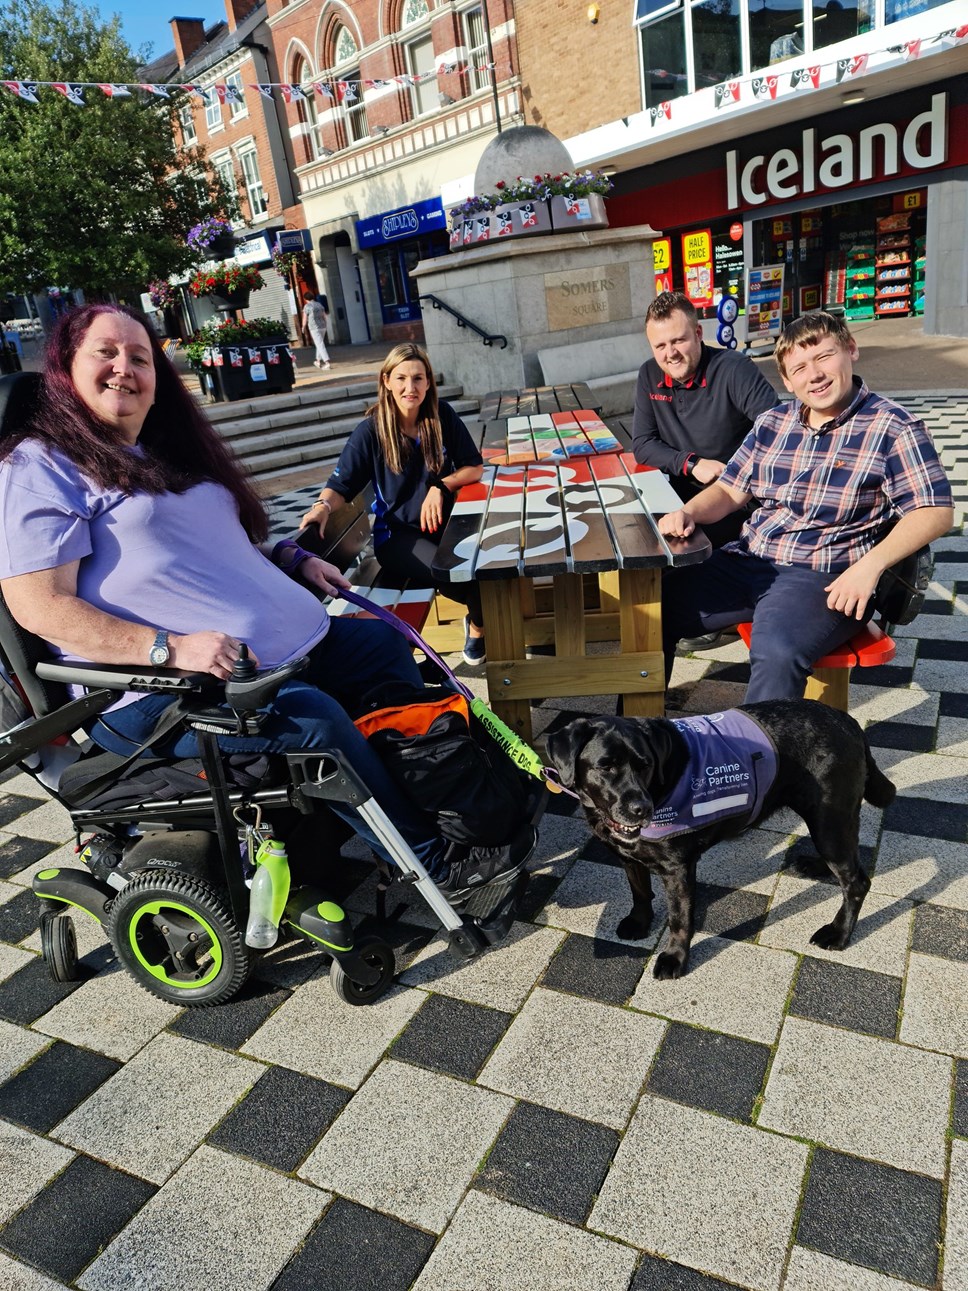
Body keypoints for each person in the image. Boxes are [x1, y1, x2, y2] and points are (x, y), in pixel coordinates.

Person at [0, 305, 533, 898]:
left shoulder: (158, 451)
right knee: (312, 716)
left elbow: (221, 544)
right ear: (63, 369)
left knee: (382, 646)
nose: (125, 367)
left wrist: (290, 557)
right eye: (105, 352)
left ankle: (432, 803)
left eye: (141, 357)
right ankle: (430, 864)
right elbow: (40, 606)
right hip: (163, 692)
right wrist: (166, 648)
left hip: (282, 649)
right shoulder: (38, 466)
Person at [657, 311, 953, 703]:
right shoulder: (774, 422)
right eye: (799, 367)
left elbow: (934, 510)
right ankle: (637, 732)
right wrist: (689, 512)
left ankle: (759, 755)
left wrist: (869, 567)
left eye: (824, 357)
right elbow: (730, 490)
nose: (813, 374)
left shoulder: (892, 427)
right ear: (787, 380)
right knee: (651, 607)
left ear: (851, 350)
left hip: (823, 576)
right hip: (750, 560)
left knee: (777, 650)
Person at [299, 342, 488, 666]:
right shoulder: (371, 431)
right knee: (460, 573)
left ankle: (481, 620)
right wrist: (322, 507)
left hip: (444, 526)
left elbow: (474, 465)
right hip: (398, 537)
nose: (409, 387)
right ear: (386, 380)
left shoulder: (441, 416)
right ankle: (480, 626)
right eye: (401, 378)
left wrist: (440, 486)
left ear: (428, 382)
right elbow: (340, 484)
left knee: (489, 564)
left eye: (417, 378)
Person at [633, 290, 779, 549]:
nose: (671, 353)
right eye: (660, 346)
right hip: (676, 493)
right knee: (631, 535)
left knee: (666, 553)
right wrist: (692, 463)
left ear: (698, 333)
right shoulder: (649, 373)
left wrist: (735, 474)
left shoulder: (734, 369)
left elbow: (778, 432)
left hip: (733, 502)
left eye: (679, 340)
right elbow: (643, 444)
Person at [301, 291, 330, 369]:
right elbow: (324, 316)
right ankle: (318, 361)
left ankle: (327, 362)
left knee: (320, 344)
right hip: (323, 326)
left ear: (305, 299)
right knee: (319, 343)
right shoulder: (319, 304)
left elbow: (305, 318)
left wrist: (303, 327)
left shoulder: (307, 306)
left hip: (314, 327)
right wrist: (325, 324)